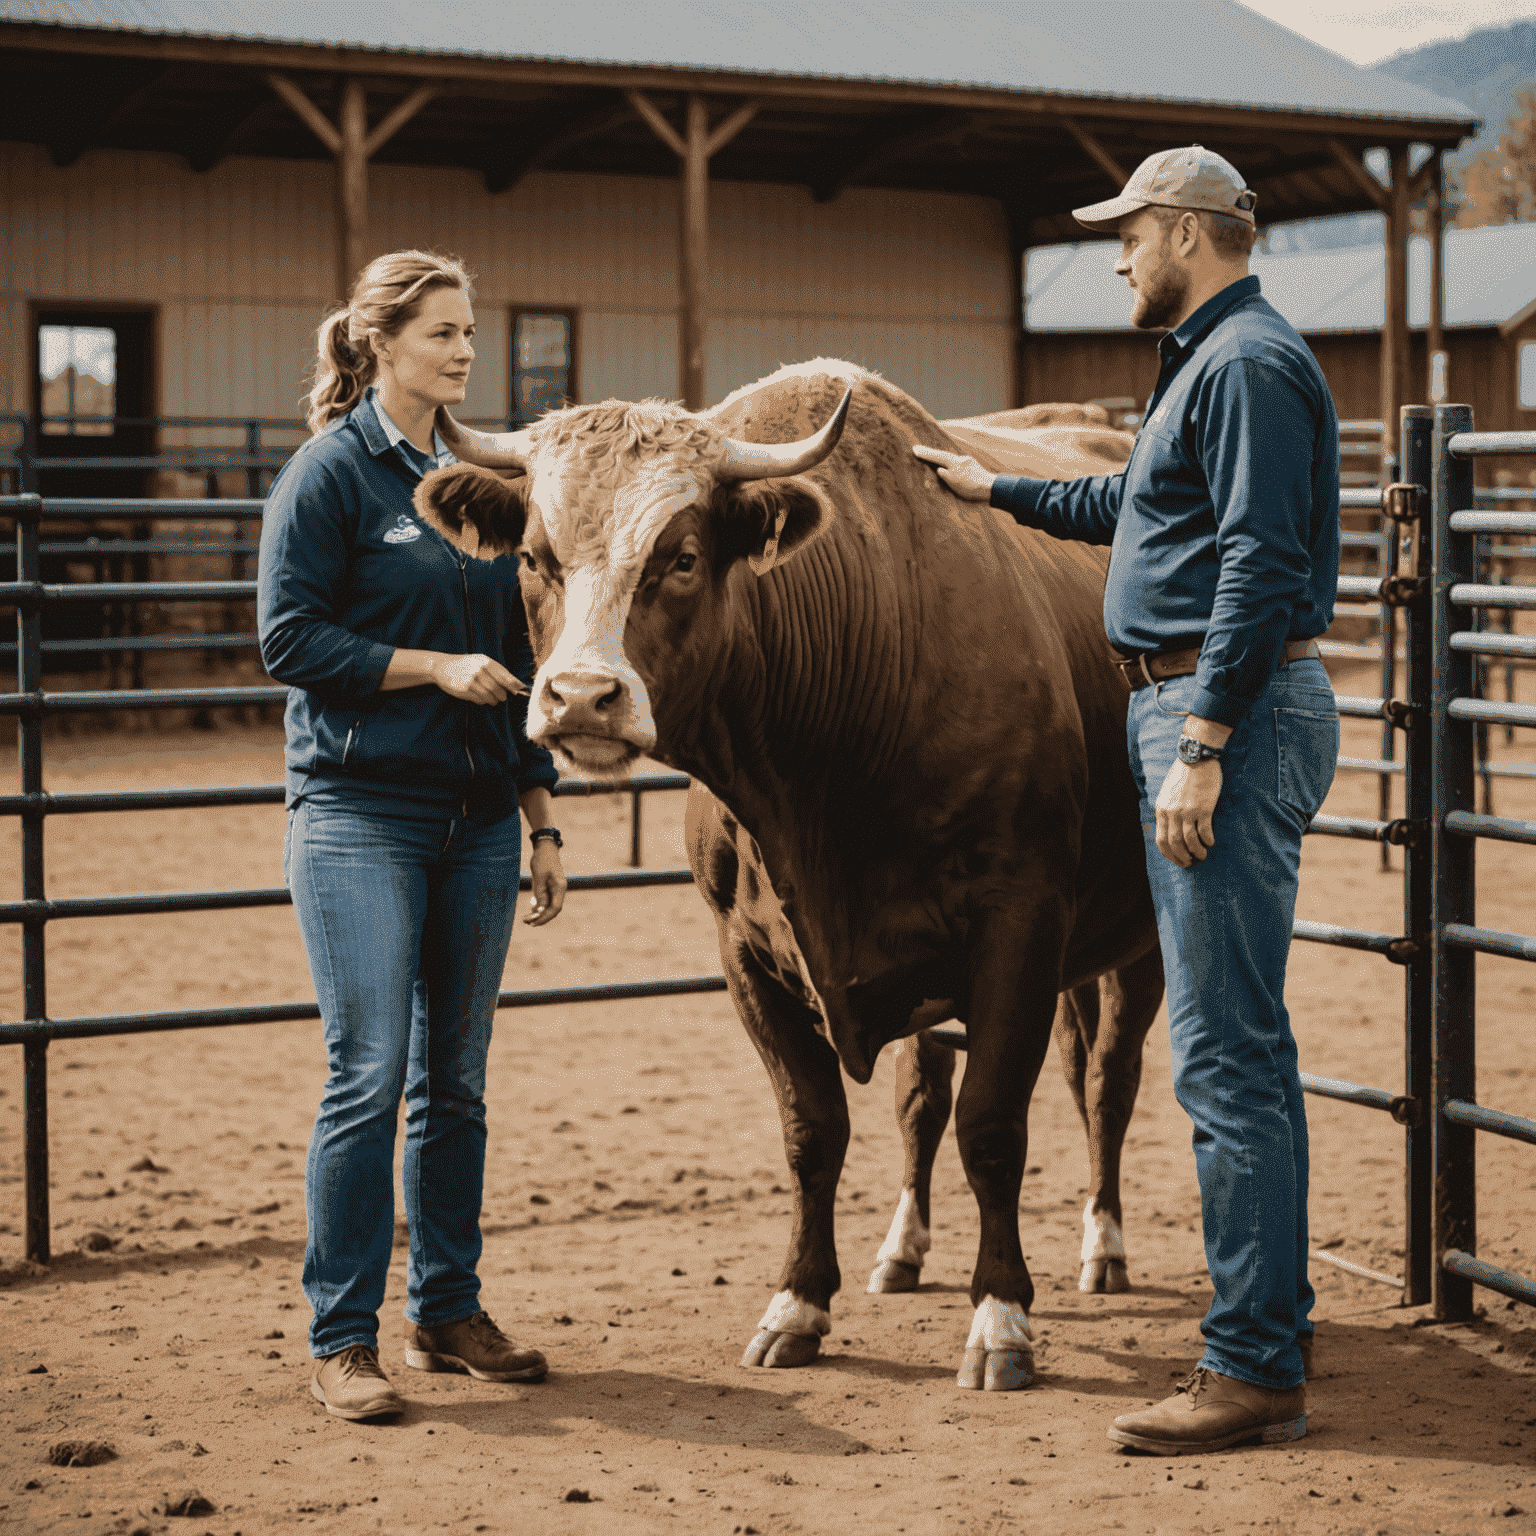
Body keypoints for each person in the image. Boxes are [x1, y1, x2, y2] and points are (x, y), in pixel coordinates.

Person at [914, 146, 1340, 1455]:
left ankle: (1252, 1363)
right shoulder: (1208, 365)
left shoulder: (1249, 365)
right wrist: (1000, 492)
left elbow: (1262, 557)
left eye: (1131, 234)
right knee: (1235, 1041)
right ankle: (1270, 1321)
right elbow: (1133, 504)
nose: (1115, 256)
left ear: (1190, 233)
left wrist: (1203, 734)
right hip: (1194, 702)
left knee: (1223, 1049)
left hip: (1223, 711)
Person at [258, 249, 568, 1421]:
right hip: (357, 814)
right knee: (369, 1072)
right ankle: (343, 1338)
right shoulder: (330, 476)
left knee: (458, 1080)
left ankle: (448, 1308)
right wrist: (431, 667)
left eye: (472, 331)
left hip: (483, 822)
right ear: (381, 342)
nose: (466, 349)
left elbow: (527, 654)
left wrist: (540, 814)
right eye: (443, 331)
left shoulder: (488, 472)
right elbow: (287, 640)